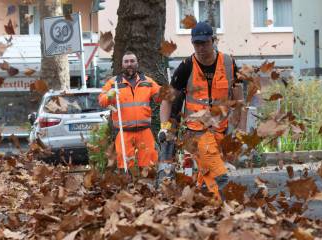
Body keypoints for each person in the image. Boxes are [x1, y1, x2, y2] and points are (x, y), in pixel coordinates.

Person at [159, 22, 239, 200]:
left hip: (220, 129)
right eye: (197, 44)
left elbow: (237, 95)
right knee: (220, 175)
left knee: (206, 172)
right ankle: (227, 208)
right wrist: (165, 127)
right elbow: (167, 99)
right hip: (196, 130)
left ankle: (200, 203)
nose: (201, 48)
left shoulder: (228, 63)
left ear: (213, 40)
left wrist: (239, 126)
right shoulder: (186, 66)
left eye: (205, 43)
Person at [98, 51, 162, 170]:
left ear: (137, 63)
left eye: (132, 61)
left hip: (144, 131)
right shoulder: (113, 83)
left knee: (149, 166)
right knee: (126, 167)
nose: (129, 64)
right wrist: (110, 96)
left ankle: (147, 188)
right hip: (124, 132)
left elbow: (160, 98)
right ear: (122, 64)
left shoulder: (147, 82)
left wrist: (167, 91)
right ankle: (128, 187)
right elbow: (102, 101)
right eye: (126, 61)